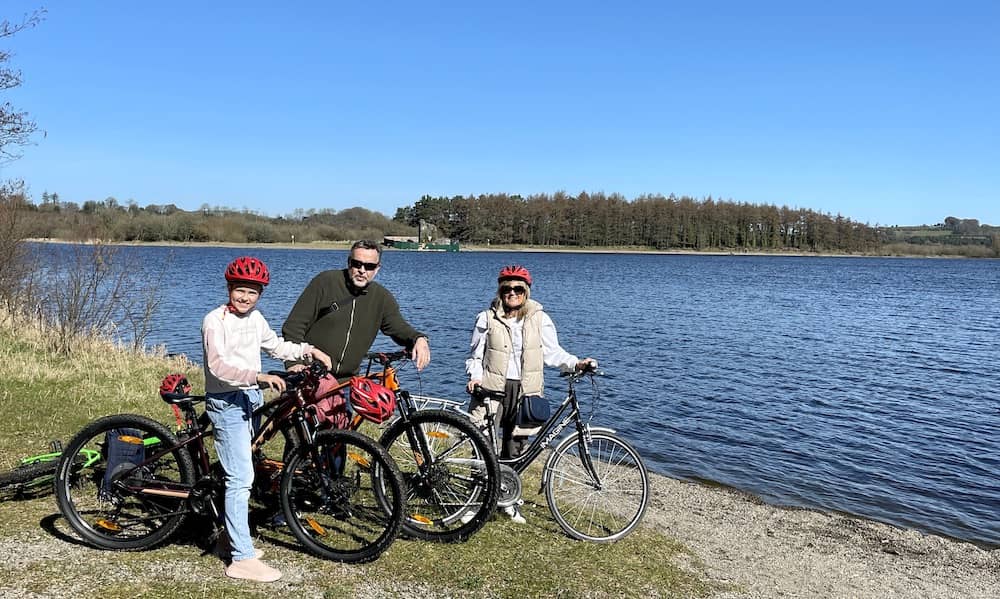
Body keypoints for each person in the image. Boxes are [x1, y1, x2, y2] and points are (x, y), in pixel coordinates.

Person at [202, 256, 331, 583]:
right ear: (230, 288)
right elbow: (217, 367)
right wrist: (257, 376)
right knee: (241, 477)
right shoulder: (214, 321)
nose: (245, 297)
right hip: (226, 403)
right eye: (240, 290)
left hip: (251, 400)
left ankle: (226, 538)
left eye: (252, 292)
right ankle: (241, 559)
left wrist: (308, 350)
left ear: (260, 294)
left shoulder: (255, 318)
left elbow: (275, 346)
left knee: (240, 466)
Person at [465, 264, 596, 523]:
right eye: (507, 288)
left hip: (526, 390)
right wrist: (475, 377)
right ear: (500, 290)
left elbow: (553, 353)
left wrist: (576, 363)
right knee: (482, 448)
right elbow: (475, 355)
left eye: (517, 289)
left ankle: (507, 500)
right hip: (491, 388)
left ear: (526, 291)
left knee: (515, 448)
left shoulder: (539, 318)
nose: (512, 293)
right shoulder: (486, 317)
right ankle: (473, 502)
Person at [281, 239, 430, 377]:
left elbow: (398, 327)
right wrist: (294, 364)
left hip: (348, 380)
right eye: (357, 264)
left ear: (377, 269)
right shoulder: (325, 282)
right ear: (348, 263)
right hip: (311, 374)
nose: (362, 270)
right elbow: (294, 327)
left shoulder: (382, 297)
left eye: (369, 266)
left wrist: (418, 338)